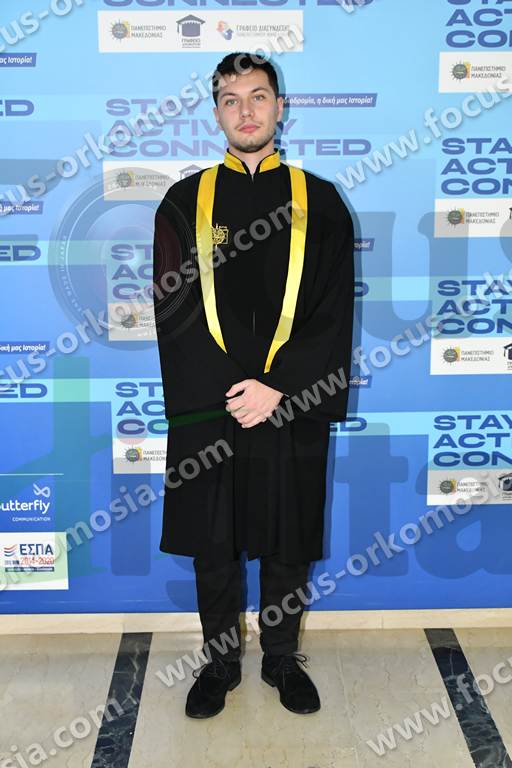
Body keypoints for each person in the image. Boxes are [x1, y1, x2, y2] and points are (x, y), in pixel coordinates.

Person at [152, 52, 355, 719]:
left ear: (279, 106)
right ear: (216, 112)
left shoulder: (320, 201)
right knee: (213, 543)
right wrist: (231, 391)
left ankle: (280, 658)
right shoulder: (184, 202)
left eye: (258, 96)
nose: (246, 110)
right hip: (209, 404)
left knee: (287, 538)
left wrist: (279, 387)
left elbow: (332, 313)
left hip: (291, 403)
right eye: (231, 99)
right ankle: (218, 662)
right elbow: (172, 306)